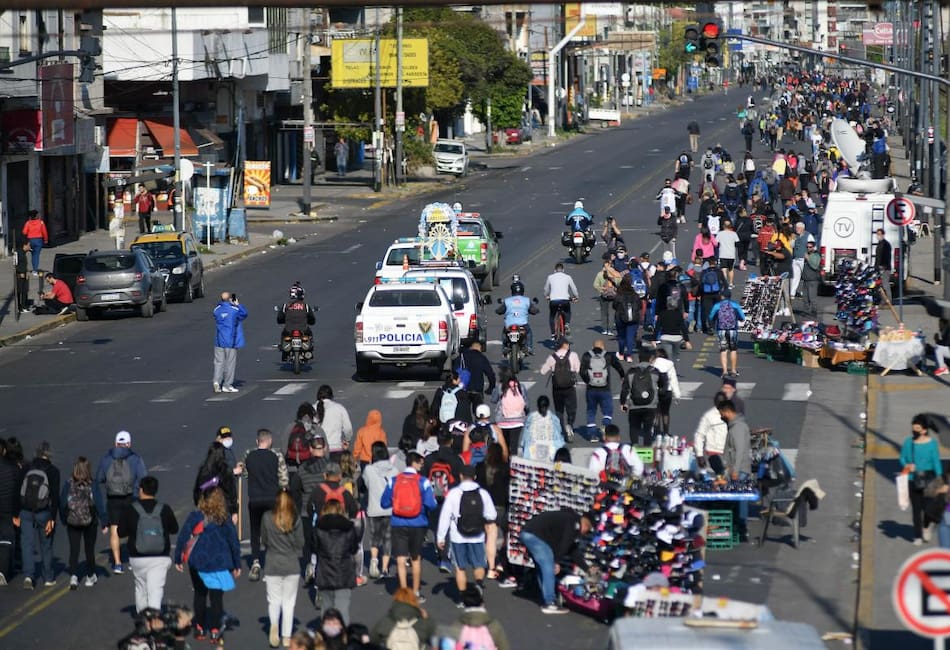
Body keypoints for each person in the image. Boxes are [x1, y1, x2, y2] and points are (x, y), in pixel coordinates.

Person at [174, 486, 241, 645]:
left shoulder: (195, 516)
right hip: (218, 562)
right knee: (216, 597)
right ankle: (215, 630)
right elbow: (233, 542)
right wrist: (236, 563)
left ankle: (199, 627)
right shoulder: (224, 518)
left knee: (200, 594)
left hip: (198, 560)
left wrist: (178, 558)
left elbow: (183, 536)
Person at [380, 452, 438, 602]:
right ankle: (416, 592)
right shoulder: (423, 481)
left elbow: (384, 503)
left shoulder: (394, 480)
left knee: (400, 559)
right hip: (418, 524)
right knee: (416, 559)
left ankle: (404, 591)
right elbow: (431, 504)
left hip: (398, 523)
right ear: (416, 463)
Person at [437, 464, 497, 606]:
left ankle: (463, 598)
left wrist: (440, 537)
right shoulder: (483, 493)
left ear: (461, 476)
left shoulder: (453, 493)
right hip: (477, 535)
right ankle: (478, 585)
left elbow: (445, 516)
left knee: (460, 567)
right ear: (475, 477)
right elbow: (491, 515)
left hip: (458, 536)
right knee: (479, 565)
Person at [117, 475, 179, 612]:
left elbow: (121, 532)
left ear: (141, 490)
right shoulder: (165, 509)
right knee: (155, 590)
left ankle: (142, 620)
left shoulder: (130, 509)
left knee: (141, 588)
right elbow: (174, 529)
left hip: (138, 557)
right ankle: (154, 620)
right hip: (160, 557)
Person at [520, 509, 592, 614]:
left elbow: (572, 550)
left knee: (543, 568)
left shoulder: (569, 521)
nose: (583, 535)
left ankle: (547, 598)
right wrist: (556, 561)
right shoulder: (573, 524)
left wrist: (586, 568)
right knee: (548, 565)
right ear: (585, 527)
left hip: (528, 533)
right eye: (586, 532)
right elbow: (565, 544)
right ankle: (550, 602)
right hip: (534, 535)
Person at [97, 430, 148, 574]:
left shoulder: (107, 458)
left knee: (114, 530)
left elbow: (100, 477)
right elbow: (143, 477)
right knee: (133, 529)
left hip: (113, 498)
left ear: (115, 443)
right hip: (130, 497)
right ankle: (133, 560)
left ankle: (118, 563)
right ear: (129, 443)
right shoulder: (135, 458)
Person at [243, 429, 289, 582]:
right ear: (270, 441)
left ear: (258, 441)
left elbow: (245, 474)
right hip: (272, 498)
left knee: (255, 531)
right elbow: (283, 479)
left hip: (255, 498)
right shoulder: (276, 456)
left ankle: (255, 562)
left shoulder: (248, 455)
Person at [261, 489, 304, 648]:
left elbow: (264, 540)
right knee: (288, 602)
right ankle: (286, 636)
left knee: (273, 601)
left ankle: (274, 625)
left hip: (272, 563)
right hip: (291, 564)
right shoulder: (295, 518)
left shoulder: (267, 517)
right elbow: (300, 543)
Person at [16, 441, 60, 589]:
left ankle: (28, 576)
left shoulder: (27, 467)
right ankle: (48, 578)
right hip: (43, 512)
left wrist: (16, 514)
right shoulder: (53, 471)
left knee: (27, 544)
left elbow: (18, 491)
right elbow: (55, 497)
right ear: (49, 454)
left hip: (26, 511)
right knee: (46, 546)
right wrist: (52, 519)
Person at [288, 434, 328, 583]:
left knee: (309, 541)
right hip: (326, 510)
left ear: (310, 449)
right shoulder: (329, 466)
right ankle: (321, 569)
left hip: (306, 509)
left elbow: (294, 489)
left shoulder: (303, 469)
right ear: (323, 448)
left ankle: (311, 564)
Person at [314, 499, 360, 624]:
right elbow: (354, 548)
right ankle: (343, 637)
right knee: (343, 609)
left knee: (326, 609)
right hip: (344, 573)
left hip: (325, 572)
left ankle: (326, 637)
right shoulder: (348, 527)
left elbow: (314, 547)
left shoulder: (319, 527)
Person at [900, 414, 943, 545]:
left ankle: (926, 527)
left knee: (928, 508)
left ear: (924, 430)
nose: (914, 431)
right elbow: (902, 458)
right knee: (916, 509)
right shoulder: (908, 442)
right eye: (913, 428)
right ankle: (917, 535)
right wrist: (907, 465)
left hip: (929, 479)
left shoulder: (932, 444)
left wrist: (941, 479)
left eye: (917, 428)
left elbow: (936, 461)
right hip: (913, 480)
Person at [363, 442, 398, 580]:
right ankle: (384, 569)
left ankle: (373, 560)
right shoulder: (394, 470)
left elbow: (366, 485)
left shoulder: (369, 470)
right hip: (390, 509)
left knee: (374, 537)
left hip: (373, 508)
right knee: (388, 539)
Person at [580, 338, 625, 442]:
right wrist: (622, 376)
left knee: (591, 411)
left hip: (591, 389)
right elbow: (618, 366)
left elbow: (582, 371)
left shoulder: (587, 355)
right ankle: (605, 425)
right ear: (603, 347)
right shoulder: (608, 355)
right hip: (605, 389)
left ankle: (591, 435)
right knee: (608, 410)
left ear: (592, 347)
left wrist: (588, 381)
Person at [539, 337, 581, 442]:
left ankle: (562, 429)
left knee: (559, 410)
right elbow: (578, 369)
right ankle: (570, 425)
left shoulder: (552, 357)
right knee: (572, 409)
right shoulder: (573, 355)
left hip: (557, 388)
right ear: (565, 345)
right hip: (570, 387)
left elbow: (542, 371)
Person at [446, 584, 511, 650]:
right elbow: (503, 646)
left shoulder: (458, 625)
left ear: (465, 604)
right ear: (482, 603)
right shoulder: (493, 624)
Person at [620, 349, 663, 446]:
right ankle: (647, 449)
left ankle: (634, 446)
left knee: (634, 427)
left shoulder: (631, 371)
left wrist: (622, 403)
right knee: (648, 428)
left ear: (639, 359)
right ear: (650, 359)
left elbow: (625, 389)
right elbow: (663, 385)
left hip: (634, 405)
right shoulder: (655, 371)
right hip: (650, 405)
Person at [370, 587, 437, 648]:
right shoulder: (422, 622)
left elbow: (373, 639)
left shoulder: (386, 621)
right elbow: (435, 639)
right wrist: (427, 618)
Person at [212, 292, 248, 394]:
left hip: (219, 340)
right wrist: (237, 304)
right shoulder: (234, 310)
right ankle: (227, 385)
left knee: (219, 363)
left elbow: (217, 315)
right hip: (231, 340)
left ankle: (216, 381)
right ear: (230, 299)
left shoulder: (217, 310)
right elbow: (244, 314)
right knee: (230, 363)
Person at [193, 443, 239, 519]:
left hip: (205, 509)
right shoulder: (225, 470)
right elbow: (232, 492)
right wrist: (234, 511)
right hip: (223, 510)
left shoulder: (204, 470)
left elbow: (197, 491)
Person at [708, 289, 747, 378]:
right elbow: (742, 317)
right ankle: (733, 370)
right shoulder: (735, 305)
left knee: (723, 350)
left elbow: (711, 317)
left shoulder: (717, 305)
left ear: (722, 296)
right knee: (733, 350)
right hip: (733, 329)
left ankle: (724, 371)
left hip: (721, 330)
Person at [495, 275, 538, 355]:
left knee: (504, 333)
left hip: (509, 325)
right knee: (529, 332)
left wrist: (497, 311)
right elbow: (533, 310)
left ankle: (504, 348)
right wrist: (536, 311)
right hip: (523, 325)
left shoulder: (507, 301)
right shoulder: (526, 300)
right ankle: (529, 347)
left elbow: (500, 310)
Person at [277, 282, 317, 362]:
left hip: (288, 330)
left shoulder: (286, 305)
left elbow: (280, 318)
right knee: (310, 334)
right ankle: (309, 350)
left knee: (283, 335)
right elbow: (311, 318)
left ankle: (284, 352)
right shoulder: (305, 306)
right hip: (303, 329)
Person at [519, 395, 565, 462]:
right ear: (538, 407)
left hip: (549, 445)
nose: (543, 409)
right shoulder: (532, 417)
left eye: (544, 407)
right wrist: (524, 443)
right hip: (534, 446)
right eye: (541, 407)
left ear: (547, 406)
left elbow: (558, 434)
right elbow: (526, 433)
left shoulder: (553, 419)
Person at [314, 385, 353, 461]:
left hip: (318, 449)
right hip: (335, 448)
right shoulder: (339, 408)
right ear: (331, 396)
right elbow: (348, 429)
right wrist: (347, 440)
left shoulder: (312, 408)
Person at [0, 439, 21, 584]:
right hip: (7, 508)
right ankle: (2, 571)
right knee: (6, 539)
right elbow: (17, 491)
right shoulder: (12, 468)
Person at [695, 392, 730, 474]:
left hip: (728, 455)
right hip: (713, 455)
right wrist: (699, 455)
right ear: (715, 403)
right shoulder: (709, 416)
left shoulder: (731, 414)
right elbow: (699, 436)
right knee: (719, 478)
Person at [457, 342, 495, 409]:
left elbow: (455, 371)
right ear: (479, 349)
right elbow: (490, 374)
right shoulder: (481, 357)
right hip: (477, 389)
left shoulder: (462, 356)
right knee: (479, 411)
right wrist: (491, 387)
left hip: (463, 389)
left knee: (463, 411)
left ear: (471, 348)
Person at [543, 263, 578, 337]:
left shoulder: (550, 277)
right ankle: (567, 324)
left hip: (553, 301)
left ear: (554, 270)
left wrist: (546, 296)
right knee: (568, 311)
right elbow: (574, 288)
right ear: (563, 270)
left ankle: (553, 334)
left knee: (552, 316)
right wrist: (576, 296)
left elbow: (546, 289)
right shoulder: (567, 277)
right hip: (565, 300)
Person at [652, 349, 682, 436]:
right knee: (665, 412)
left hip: (655, 391)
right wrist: (677, 395)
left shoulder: (653, 364)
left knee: (656, 412)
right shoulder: (670, 364)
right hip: (667, 391)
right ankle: (665, 432)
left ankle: (656, 431)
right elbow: (674, 380)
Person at [613, 275, 642, 361]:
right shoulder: (635, 295)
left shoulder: (619, 295)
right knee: (630, 336)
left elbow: (614, 306)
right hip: (633, 318)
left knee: (621, 337)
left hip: (620, 317)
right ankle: (629, 355)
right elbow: (640, 306)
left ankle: (621, 354)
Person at [594, 253, 622, 335]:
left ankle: (604, 329)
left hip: (603, 295)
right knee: (612, 312)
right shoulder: (615, 274)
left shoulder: (599, 274)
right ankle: (610, 330)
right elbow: (619, 281)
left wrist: (602, 290)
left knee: (603, 312)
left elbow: (595, 285)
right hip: (613, 296)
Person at [698, 258, 727, 334]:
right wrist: (724, 293)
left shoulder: (704, 272)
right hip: (717, 293)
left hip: (706, 294)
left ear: (708, 263)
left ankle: (710, 327)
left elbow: (701, 284)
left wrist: (700, 294)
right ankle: (718, 325)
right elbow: (724, 283)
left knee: (708, 311)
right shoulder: (719, 271)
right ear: (715, 262)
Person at [22, 209, 49, 274]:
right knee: (36, 255)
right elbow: (44, 232)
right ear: (36, 215)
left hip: (30, 241)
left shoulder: (28, 223)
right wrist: (46, 239)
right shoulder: (41, 222)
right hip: (38, 240)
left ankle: (23, 268)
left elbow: (24, 232)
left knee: (30, 254)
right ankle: (35, 270)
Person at [716, 220, 740, 288]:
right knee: (731, 269)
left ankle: (725, 283)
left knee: (723, 269)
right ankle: (731, 283)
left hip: (722, 254)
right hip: (731, 254)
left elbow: (716, 243)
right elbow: (737, 243)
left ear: (723, 226)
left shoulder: (720, 233)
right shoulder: (734, 234)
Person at [802, 239, 822, 315]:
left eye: (810, 247)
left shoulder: (816, 255)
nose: (808, 248)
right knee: (805, 298)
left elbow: (815, 266)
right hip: (806, 279)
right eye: (807, 247)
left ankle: (814, 311)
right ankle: (806, 311)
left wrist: (808, 259)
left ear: (813, 247)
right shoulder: (807, 254)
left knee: (812, 297)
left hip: (813, 280)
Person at [14, 238, 31, 313]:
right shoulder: (17, 253)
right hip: (19, 275)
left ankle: (24, 306)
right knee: (19, 291)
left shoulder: (23, 253)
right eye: (29, 245)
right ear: (25, 245)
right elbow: (15, 264)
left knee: (25, 291)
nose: (30, 247)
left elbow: (24, 265)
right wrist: (19, 272)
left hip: (24, 274)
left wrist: (26, 272)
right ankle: (20, 307)